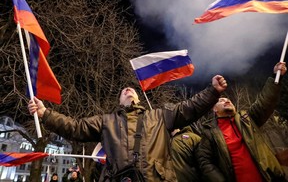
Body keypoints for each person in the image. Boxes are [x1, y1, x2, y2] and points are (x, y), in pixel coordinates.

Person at [28, 75, 227, 182]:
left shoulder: (158, 116)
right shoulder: (106, 121)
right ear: (120, 101)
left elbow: (189, 108)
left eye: (131, 90)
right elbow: (75, 127)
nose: (127, 90)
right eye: (124, 91)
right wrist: (46, 114)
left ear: (139, 99)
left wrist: (212, 92)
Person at [196, 62, 287, 182]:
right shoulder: (209, 133)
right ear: (214, 109)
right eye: (221, 100)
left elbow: (265, 102)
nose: (226, 101)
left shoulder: (248, 119)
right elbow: (205, 161)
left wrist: (276, 76)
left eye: (228, 100)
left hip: (270, 178)